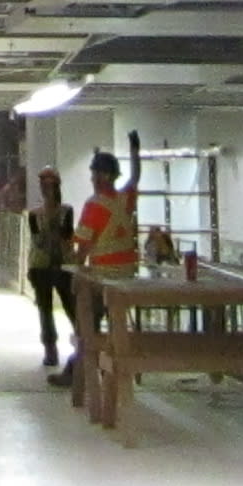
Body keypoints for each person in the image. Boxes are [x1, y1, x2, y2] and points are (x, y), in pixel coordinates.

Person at [52, 132, 142, 394]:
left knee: (86, 327)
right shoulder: (125, 200)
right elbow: (135, 178)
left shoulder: (94, 206)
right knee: (114, 326)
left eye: (94, 174)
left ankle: (79, 372)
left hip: (101, 279)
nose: (91, 179)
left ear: (103, 176)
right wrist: (135, 151)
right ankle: (104, 364)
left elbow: (83, 247)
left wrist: (75, 273)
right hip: (125, 279)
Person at [25, 166, 77, 368]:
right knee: (45, 310)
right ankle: (50, 348)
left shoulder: (66, 211)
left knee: (71, 307)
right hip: (41, 267)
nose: (46, 189)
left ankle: (82, 343)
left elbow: (65, 236)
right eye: (43, 185)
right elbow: (38, 241)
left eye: (50, 185)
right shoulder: (34, 215)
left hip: (63, 267)